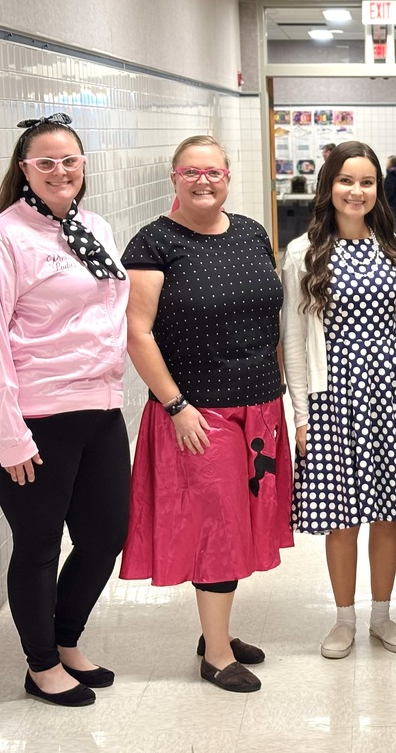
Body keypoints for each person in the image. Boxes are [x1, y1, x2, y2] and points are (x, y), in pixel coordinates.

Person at [0, 113, 131, 707]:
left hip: (100, 408)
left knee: (106, 535)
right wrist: (8, 436)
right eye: (47, 162)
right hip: (32, 417)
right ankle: (40, 666)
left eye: (71, 160)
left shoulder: (95, 227)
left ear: (84, 165)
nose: (61, 171)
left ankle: (64, 640)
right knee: (37, 544)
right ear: (24, 170)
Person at [118, 135, 293, 694]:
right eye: (190, 172)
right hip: (197, 412)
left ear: (227, 176)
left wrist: (284, 391)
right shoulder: (153, 244)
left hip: (260, 406)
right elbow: (137, 332)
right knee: (216, 528)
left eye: (212, 171)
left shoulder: (251, 233)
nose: (202, 181)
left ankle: (215, 631)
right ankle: (216, 655)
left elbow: (269, 313)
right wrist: (175, 405)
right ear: (174, 180)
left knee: (240, 523)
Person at [281, 141, 396, 661]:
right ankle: (343, 619)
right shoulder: (303, 251)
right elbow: (296, 341)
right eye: (347, 181)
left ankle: (382, 615)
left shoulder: (390, 246)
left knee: (389, 513)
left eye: (366, 182)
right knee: (341, 517)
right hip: (333, 398)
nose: (357, 191)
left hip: (393, 394)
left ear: (378, 189)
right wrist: (301, 415)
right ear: (329, 186)